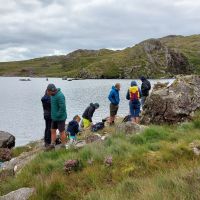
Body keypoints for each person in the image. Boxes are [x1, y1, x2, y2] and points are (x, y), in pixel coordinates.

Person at [47, 84, 67, 148]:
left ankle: (63, 145)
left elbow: (63, 107)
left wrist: (57, 115)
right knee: (52, 130)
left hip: (60, 118)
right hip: (54, 118)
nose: (47, 92)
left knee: (62, 132)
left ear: (50, 91)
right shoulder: (52, 95)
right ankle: (52, 144)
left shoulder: (60, 95)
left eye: (47, 91)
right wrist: (53, 115)